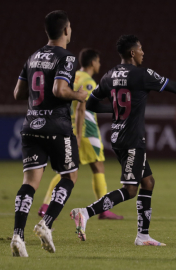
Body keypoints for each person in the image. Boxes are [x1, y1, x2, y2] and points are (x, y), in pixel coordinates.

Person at [70, 34, 176, 246]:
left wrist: (114, 111)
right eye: (141, 49)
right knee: (130, 189)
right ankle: (85, 212)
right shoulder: (143, 74)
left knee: (148, 182)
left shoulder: (109, 75)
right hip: (131, 139)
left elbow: (92, 104)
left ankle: (143, 236)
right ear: (132, 52)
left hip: (118, 135)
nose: (143, 53)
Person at [10, 10, 88, 257]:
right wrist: (78, 95)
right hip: (57, 127)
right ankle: (46, 223)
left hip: (31, 126)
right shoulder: (67, 58)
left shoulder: (33, 57)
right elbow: (59, 89)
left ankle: (17, 236)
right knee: (70, 175)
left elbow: (17, 94)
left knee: (29, 184)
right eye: (71, 28)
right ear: (66, 30)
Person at [38, 49, 123, 220]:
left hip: (67, 126)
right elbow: (83, 106)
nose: (99, 64)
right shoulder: (89, 82)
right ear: (93, 63)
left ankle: (46, 205)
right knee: (97, 166)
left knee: (67, 171)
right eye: (98, 61)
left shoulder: (71, 77)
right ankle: (103, 209)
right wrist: (79, 133)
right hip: (86, 130)